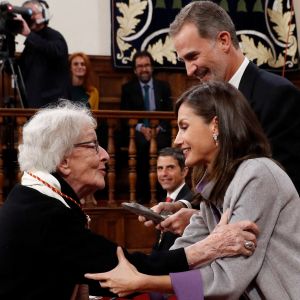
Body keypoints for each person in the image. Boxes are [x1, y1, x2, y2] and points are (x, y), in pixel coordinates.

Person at [0, 100, 259, 300]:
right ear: (64, 160)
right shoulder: (45, 212)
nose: (105, 155)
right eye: (93, 145)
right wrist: (209, 248)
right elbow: (123, 270)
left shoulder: (32, 197)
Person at [85, 81, 300, 299]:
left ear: (215, 125)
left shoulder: (257, 175)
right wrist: (123, 276)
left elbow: (227, 280)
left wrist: (144, 282)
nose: (177, 140)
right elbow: (184, 254)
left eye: (184, 127)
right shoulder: (212, 187)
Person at [167, 0, 300, 194]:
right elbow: (213, 177)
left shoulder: (277, 95)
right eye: (184, 61)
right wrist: (187, 207)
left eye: (193, 57)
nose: (189, 71)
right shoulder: (208, 102)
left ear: (224, 41)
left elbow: (284, 182)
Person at [120, 50, 173, 202]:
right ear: (135, 70)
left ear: (152, 67)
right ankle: (143, 195)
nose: (144, 69)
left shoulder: (163, 86)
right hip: (137, 132)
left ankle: (163, 194)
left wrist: (157, 129)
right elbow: (124, 116)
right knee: (141, 147)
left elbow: (169, 113)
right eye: (140, 66)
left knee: (163, 149)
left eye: (147, 65)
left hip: (160, 131)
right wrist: (141, 128)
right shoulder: (128, 89)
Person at [16, 0, 69, 108]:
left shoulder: (54, 36)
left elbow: (54, 51)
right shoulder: (32, 42)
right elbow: (19, 70)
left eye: (33, 13)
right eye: (26, 14)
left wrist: (29, 35)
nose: (30, 18)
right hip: (34, 104)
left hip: (53, 106)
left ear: (44, 14)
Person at [153, 147, 193, 251]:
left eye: (170, 167)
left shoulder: (192, 201)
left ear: (184, 171)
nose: (164, 174)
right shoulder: (163, 201)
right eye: (160, 168)